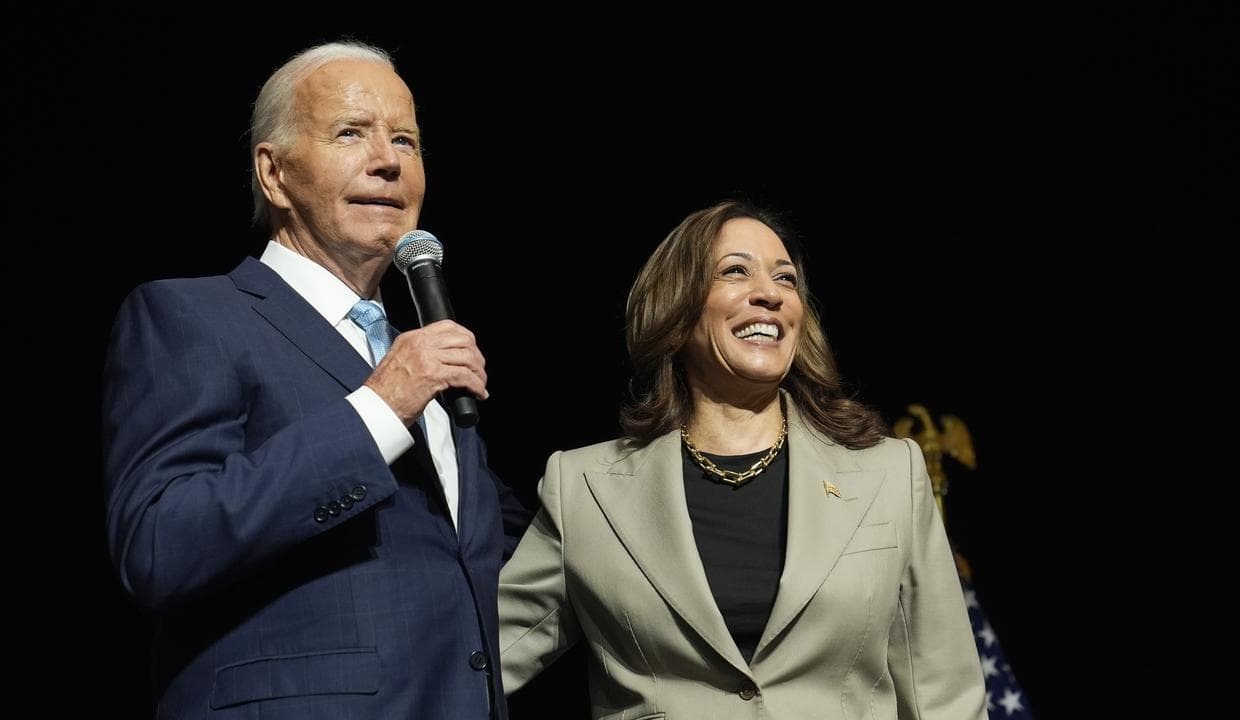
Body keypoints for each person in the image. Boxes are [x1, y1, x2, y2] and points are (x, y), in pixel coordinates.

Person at [102, 40, 527, 719]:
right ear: (273, 174)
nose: (388, 160)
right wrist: (379, 408)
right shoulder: (191, 316)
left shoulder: (422, 362)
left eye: (406, 140)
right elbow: (159, 545)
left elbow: (500, 560)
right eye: (351, 133)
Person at [498, 200, 988, 719]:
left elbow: (947, 696)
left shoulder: (889, 473)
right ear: (676, 308)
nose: (770, 294)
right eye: (735, 271)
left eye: (786, 279)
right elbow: (474, 659)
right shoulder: (584, 488)